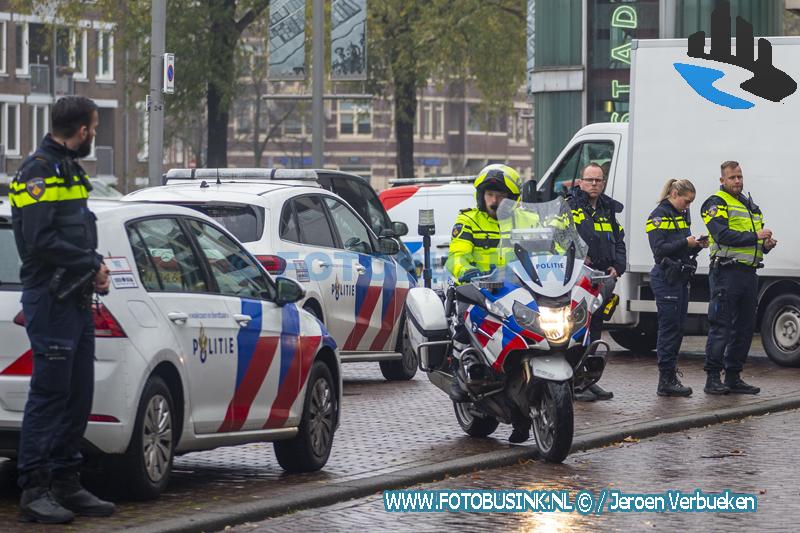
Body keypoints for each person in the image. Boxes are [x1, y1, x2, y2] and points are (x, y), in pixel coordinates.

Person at [10, 96, 115, 524]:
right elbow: (40, 241)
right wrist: (92, 264)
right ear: (83, 130)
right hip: (50, 300)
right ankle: (35, 489)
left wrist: (94, 269)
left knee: (77, 394)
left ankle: (66, 482)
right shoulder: (36, 171)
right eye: (94, 127)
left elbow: (74, 233)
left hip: (74, 297)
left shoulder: (68, 169)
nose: (96, 134)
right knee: (50, 395)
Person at [445, 163, 531, 443]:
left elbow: (553, 248)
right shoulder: (469, 221)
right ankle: (461, 374)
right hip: (478, 290)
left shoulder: (526, 220)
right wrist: (466, 271)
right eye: (489, 194)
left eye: (500, 195)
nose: (494, 200)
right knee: (464, 328)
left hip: (517, 291)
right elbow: (456, 255)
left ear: (514, 198)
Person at [701, 161, 775, 395]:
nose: (737, 181)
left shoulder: (751, 206)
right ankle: (712, 378)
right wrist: (756, 236)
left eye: (740, 177)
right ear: (722, 180)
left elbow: (756, 243)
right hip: (726, 272)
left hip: (748, 273)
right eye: (732, 178)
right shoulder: (715, 203)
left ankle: (733, 376)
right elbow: (722, 235)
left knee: (744, 328)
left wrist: (766, 244)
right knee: (721, 326)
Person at [566, 163, 626, 402]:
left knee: (596, 331)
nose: (594, 184)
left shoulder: (607, 209)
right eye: (590, 180)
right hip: (579, 280)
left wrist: (618, 266)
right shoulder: (570, 207)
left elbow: (619, 239)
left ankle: (590, 380)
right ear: (580, 182)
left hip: (602, 279)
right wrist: (581, 260)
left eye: (598, 180)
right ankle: (574, 382)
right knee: (577, 332)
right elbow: (561, 239)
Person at [646, 179, 708, 397]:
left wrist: (697, 246)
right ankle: (665, 380)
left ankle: (670, 376)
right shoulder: (659, 216)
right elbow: (659, 249)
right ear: (673, 193)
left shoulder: (681, 215)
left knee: (678, 329)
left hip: (679, 278)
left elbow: (681, 249)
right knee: (669, 329)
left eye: (691, 202)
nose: (688, 205)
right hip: (666, 278)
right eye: (686, 200)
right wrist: (686, 243)